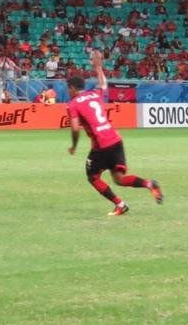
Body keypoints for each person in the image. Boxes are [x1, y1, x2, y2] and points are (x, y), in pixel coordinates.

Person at [68, 50, 163, 216]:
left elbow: (75, 129)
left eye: (68, 89)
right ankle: (149, 184)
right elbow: (104, 84)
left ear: (72, 88)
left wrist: (74, 146)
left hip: (101, 145)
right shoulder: (94, 94)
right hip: (115, 139)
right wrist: (98, 67)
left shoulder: (73, 104)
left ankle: (120, 204)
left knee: (93, 177)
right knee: (119, 179)